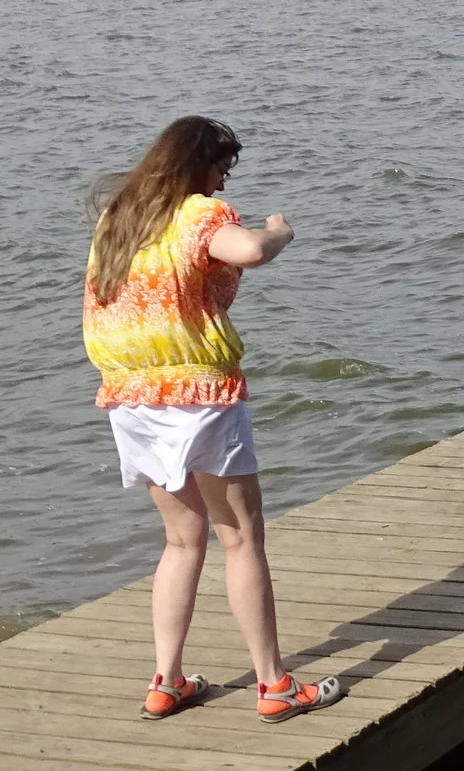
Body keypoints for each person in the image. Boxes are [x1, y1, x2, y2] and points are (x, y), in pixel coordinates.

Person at [83, 115, 344, 724]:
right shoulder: (200, 216)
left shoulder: (118, 220)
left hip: (130, 397)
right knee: (242, 537)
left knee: (180, 539)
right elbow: (249, 251)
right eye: (221, 169)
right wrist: (278, 233)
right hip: (197, 397)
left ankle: (166, 682)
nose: (223, 185)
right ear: (196, 164)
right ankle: (275, 687)